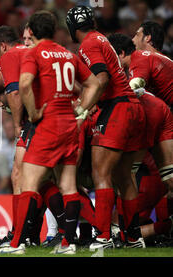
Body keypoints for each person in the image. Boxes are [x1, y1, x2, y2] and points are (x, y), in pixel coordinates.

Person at [0, 10, 100, 255]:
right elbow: (94, 84)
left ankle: (16, 244)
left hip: (47, 125)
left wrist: (34, 112)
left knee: (27, 183)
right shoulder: (68, 54)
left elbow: (25, 84)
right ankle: (67, 244)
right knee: (68, 185)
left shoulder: (34, 53)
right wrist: (82, 109)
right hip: (70, 125)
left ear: (32, 31)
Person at [66, 5, 147, 249]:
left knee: (102, 174)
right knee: (124, 177)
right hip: (132, 107)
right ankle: (133, 238)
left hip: (116, 108)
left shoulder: (88, 44)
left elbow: (101, 79)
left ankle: (103, 237)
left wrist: (81, 110)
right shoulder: (101, 38)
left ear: (71, 27)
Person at [0, 26, 66, 248]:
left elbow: (14, 91)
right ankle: (30, 234)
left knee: (22, 177)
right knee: (46, 179)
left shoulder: (11, 55)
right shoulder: (33, 51)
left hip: (37, 120)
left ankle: (23, 236)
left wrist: (17, 125)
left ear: (3, 46)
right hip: (58, 115)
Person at [107, 33, 173, 220]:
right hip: (164, 111)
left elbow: (136, 86)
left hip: (155, 113)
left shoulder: (139, 59)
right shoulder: (150, 57)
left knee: (127, 174)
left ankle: (127, 231)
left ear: (120, 54)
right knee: (169, 175)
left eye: (110, 56)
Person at [128, 23, 173, 107]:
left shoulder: (144, 56)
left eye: (137, 35)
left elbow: (135, 87)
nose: (133, 40)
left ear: (147, 38)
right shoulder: (164, 60)